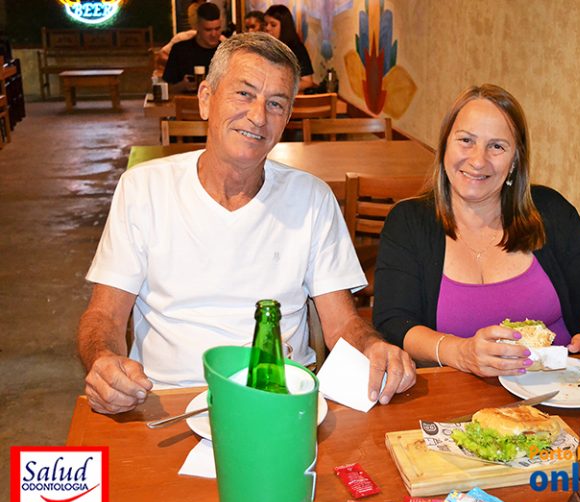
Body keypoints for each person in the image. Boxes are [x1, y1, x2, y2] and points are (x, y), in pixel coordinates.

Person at [78, 33, 416, 415]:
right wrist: (104, 361)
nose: (258, 116)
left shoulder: (312, 198)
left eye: (276, 103)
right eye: (244, 94)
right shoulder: (144, 189)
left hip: (280, 400)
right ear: (206, 99)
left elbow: (342, 324)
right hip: (168, 402)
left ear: (287, 119)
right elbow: (105, 316)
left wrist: (373, 346)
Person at [373, 84, 580, 378]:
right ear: (445, 146)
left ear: (515, 161)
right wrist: (460, 353)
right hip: (454, 395)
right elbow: (395, 321)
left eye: (497, 147)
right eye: (466, 140)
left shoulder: (552, 213)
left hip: (559, 391)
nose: (478, 160)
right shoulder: (408, 222)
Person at [163, 3, 222, 91]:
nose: (214, 34)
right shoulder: (180, 50)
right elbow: (166, 89)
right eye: (208, 30)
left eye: (217, 29)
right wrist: (181, 86)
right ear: (197, 27)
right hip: (185, 99)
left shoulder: (226, 52)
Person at [264, 4, 314, 92]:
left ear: (284, 27)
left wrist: (281, 89)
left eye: (273, 25)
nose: (267, 28)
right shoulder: (264, 46)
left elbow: (307, 82)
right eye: (266, 24)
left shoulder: (296, 48)